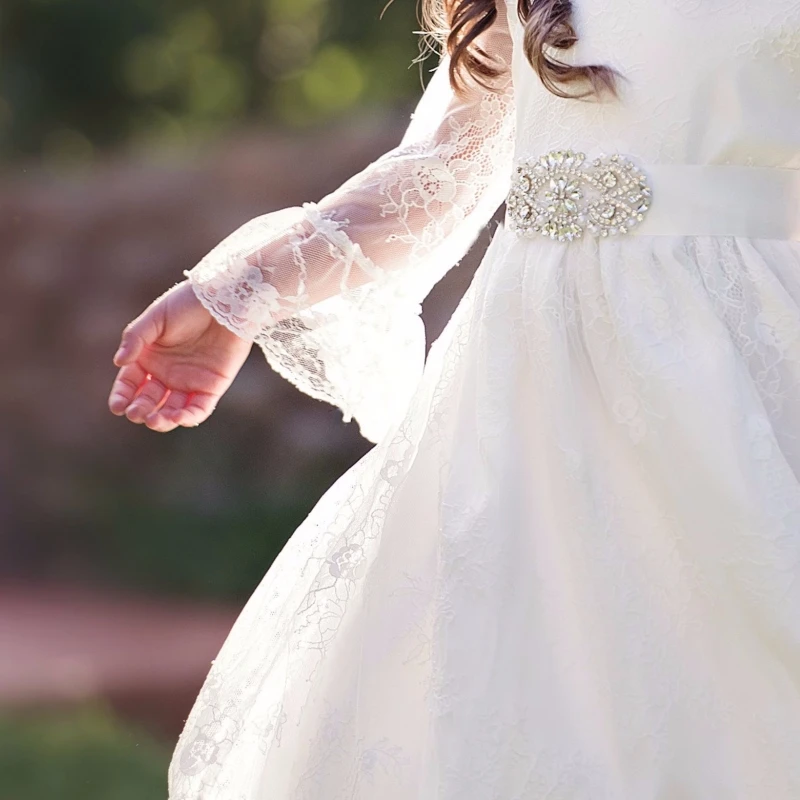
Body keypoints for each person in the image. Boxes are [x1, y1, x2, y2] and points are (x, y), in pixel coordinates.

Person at [109, 0, 800, 796]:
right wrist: (242, 292)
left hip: (738, 362)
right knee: (507, 678)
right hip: (534, 383)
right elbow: (446, 169)